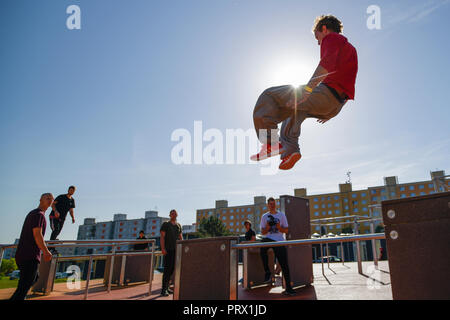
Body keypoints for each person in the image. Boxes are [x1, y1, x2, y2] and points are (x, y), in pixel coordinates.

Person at [251, 14, 358, 170]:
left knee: (269, 96)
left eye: (317, 38)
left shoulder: (332, 38)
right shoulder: (351, 50)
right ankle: (290, 152)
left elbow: (326, 63)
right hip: (335, 104)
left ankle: (270, 143)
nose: (318, 43)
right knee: (294, 110)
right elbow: (349, 79)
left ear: (324, 29)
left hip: (325, 94)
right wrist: (332, 109)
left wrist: (308, 90)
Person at [10, 193, 54, 300]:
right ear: (40, 200)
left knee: (34, 278)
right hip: (29, 255)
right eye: (47, 198)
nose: (49, 200)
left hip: (24, 255)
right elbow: (37, 235)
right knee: (22, 289)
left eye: (51, 199)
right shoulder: (38, 215)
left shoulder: (35, 213)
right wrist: (46, 251)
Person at [259, 197, 296, 296]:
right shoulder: (264, 216)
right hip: (268, 239)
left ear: (276, 204)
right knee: (262, 247)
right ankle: (267, 272)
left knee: (284, 264)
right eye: (270, 204)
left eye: (274, 203)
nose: (272, 205)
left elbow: (286, 230)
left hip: (279, 240)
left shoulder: (281, 215)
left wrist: (279, 227)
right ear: (268, 205)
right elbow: (263, 232)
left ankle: (288, 288)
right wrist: (267, 227)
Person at [160, 209, 183, 296]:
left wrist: (183, 247)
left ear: (177, 215)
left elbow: (181, 237)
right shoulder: (166, 224)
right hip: (168, 249)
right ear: (170, 215)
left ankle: (167, 287)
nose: (174, 215)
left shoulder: (178, 225)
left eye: (175, 213)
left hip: (176, 250)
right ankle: (163, 289)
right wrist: (163, 248)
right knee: (167, 269)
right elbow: (162, 237)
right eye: (172, 213)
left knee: (172, 269)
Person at [49, 186, 76, 254]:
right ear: (68, 190)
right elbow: (52, 204)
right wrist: (55, 211)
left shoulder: (72, 200)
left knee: (58, 232)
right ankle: (50, 248)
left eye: (73, 191)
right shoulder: (61, 196)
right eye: (70, 190)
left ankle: (52, 246)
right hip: (54, 216)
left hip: (62, 219)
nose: (71, 191)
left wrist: (73, 217)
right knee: (55, 230)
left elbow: (71, 210)